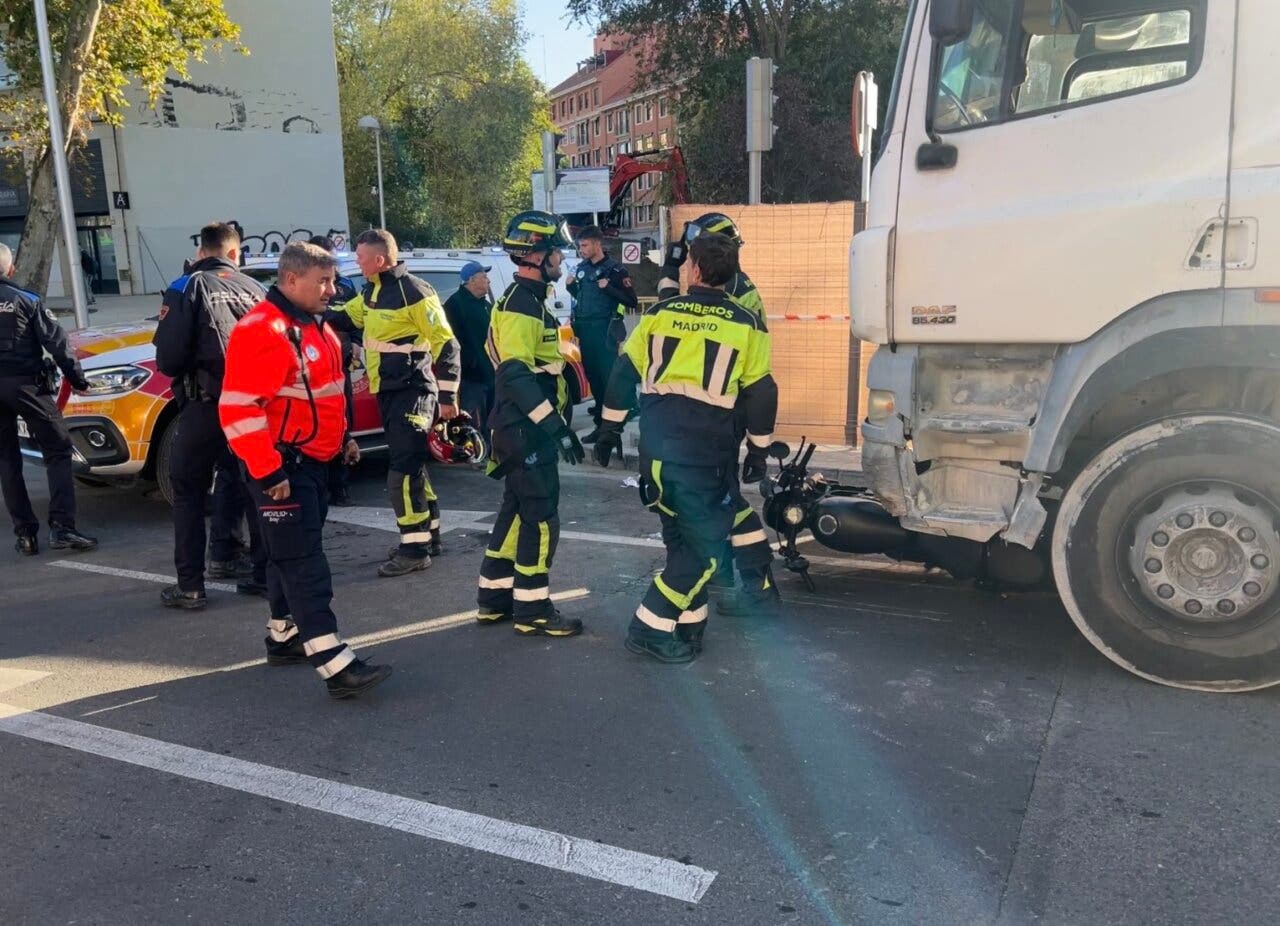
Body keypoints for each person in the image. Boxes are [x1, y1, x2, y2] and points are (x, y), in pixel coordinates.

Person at [594, 232, 780, 663]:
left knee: (681, 542)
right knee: (705, 552)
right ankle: (648, 627)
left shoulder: (660, 313)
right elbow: (761, 392)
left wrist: (608, 430)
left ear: (693, 269)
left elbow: (623, 372)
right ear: (731, 274)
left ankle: (688, 626)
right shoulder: (747, 323)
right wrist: (758, 450)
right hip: (705, 458)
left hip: (657, 454)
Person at [219, 241, 390, 700]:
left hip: (312, 462)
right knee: (303, 563)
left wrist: (344, 439)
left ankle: (284, 635)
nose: (332, 290)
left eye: (332, 281)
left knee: (288, 555)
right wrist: (269, 471)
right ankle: (334, 662)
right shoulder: (264, 330)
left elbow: (327, 393)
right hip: (283, 468)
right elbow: (238, 409)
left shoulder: (315, 326)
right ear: (292, 280)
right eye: (324, 282)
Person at [475, 211, 585, 637]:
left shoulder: (527, 299)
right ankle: (533, 610)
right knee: (540, 519)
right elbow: (516, 375)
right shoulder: (522, 304)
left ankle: (494, 600)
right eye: (557, 252)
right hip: (527, 432)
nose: (561, 259)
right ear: (537, 255)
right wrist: (556, 427)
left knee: (515, 513)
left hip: (518, 428)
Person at [331, 229, 461, 577]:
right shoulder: (372, 291)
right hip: (388, 391)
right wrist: (308, 307)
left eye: (360, 257)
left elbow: (447, 344)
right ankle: (428, 537)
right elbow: (345, 317)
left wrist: (448, 397)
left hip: (413, 391)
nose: (357, 262)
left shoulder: (415, 291)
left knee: (402, 471)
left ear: (378, 259)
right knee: (412, 464)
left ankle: (414, 549)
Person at [153, 222, 267, 609]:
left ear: (202, 252)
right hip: (251, 407)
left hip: (204, 405)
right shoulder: (256, 290)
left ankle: (190, 586)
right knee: (254, 485)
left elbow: (168, 359)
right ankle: (262, 573)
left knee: (187, 490)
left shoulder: (186, 286)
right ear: (235, 254)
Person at [658, 212, 769, 598]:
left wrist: (757, 445)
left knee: (724, 498)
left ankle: (755, 582)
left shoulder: (731, 290)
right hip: (714, 406)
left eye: (695, 249)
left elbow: (670, 310)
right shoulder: (732, 282)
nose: (691, 255)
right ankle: (725, 573)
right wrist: (673, 263)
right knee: (719, 496)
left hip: (721, 408)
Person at [0, 243, 96, 556]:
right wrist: (78, 379)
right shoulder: (26, 299)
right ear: (11, 269)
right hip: (27, 386)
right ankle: (62, 527)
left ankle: (25, 535)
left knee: (7, 461)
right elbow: (57, 342)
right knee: (58, 449)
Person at [566, 226, 636, 442]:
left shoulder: (615, 270)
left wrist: (609, 288)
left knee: (608, 380)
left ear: (597, 243)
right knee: (594, 379)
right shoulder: (582, 268)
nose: (581, 250)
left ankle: (609, 426)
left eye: (585, 245)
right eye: (580, 246)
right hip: (585, 330)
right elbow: (583, 297)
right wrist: (570, 288)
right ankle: (601, 422)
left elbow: (631, 301)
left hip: (604, 330)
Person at [308, 235, 359, 508]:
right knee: (316, 421)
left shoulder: (346, 285)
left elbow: (358, 320)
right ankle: (320, 483)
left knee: (342, 421)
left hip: (341, 364)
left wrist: (357, 343)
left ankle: (341, 486)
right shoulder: (306, 286)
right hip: (312, 364)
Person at [442, 260, 495, 430]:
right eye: (484, 276)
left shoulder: (487, 306)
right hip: (471, 380)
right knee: (474, 426)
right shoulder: (454, 305)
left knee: (493, 424)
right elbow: (449, 343)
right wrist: (471, 362)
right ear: (472, 280)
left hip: (492, 375)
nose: (488, 280)